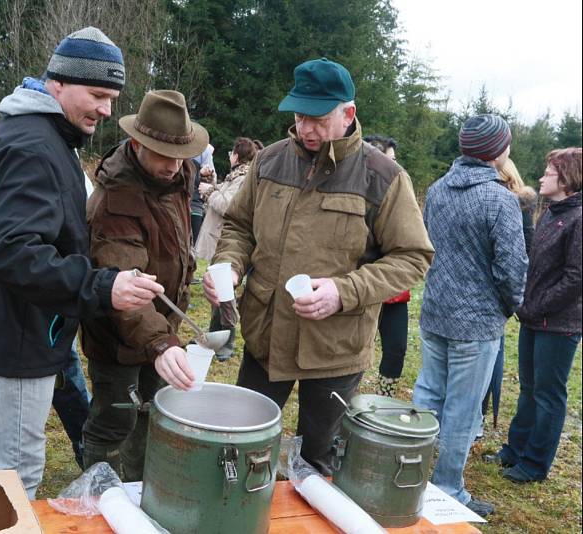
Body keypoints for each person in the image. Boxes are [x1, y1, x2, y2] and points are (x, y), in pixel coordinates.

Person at [0, 27, 163, 499]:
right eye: (98, 94)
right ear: (57, 83)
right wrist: (104, 287)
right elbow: (14, 251)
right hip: (17, 339)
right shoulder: (35, 147)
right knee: (11, 479)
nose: (106, 109)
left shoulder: (36, 135)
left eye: (112, 97)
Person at [200, 58, 433, 475]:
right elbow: (238, 225)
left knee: (317, 462)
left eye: (318, 118)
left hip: (334, 348)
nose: (305, 128)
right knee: (237, 444)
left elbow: (412, 257)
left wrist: (344, 291)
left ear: (349, 114)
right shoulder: (269, 162)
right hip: (265, 335)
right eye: (299, 115)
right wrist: (230, 265)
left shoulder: (384, 177)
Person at [81, 90, 207, 481]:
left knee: (152, 409)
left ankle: (139, 488)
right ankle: (100, 492)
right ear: (137, 145)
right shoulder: (116, 197)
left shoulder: (179, 174)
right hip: (118, 331)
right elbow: (128, 288)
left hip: (162, 326)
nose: (173, 166)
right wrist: (160, 343)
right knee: (114, 419)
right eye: (163, 155)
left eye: (179, 155)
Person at [413, 114, 528, 517]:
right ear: (498, 150)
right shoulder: (500, 199)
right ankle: (447, 487)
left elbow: (426, 245)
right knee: (462, 407)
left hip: (436, 310)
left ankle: (407, 471)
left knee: (428, 393)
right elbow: (512, 267)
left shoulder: (439, 189)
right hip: (476, 322)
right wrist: (511, 305)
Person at [495, 147, 581, 483]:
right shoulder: (551, 212)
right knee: (530, 388)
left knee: (548, 394)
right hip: (534, 317)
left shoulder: (579, 218)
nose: (542, 176)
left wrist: (537, 305)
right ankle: (515, 450)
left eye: (550, 171)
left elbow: (576, 278)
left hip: (559, 325)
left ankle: (534, 463)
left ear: (568, 178)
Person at [478, 157, 537, 436]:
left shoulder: (517, 205)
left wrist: (511, 298)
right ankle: (477, 412)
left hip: (497, 294)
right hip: (483, 289)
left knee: (491, 359)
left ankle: (479, 414)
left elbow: (521, 252)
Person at [195, 137, 258, 361]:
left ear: (238, 155)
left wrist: (209, 192)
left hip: (227, 241)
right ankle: (216, 337)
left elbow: (229, 206)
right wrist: (212, 182)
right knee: (217, 295)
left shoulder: (244, 179)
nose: (229, 155)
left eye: (232, 151)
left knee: (224, 294)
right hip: (221, 240)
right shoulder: (236, 176)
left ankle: (226, 343)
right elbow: (223, 192)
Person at [364, 134, 410, 397]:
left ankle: (385, 396)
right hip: (359, 287)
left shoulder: (398, 193)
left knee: (396, 347)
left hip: (393, 292)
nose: (396, 165)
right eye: (390, 160)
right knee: (354, 349)